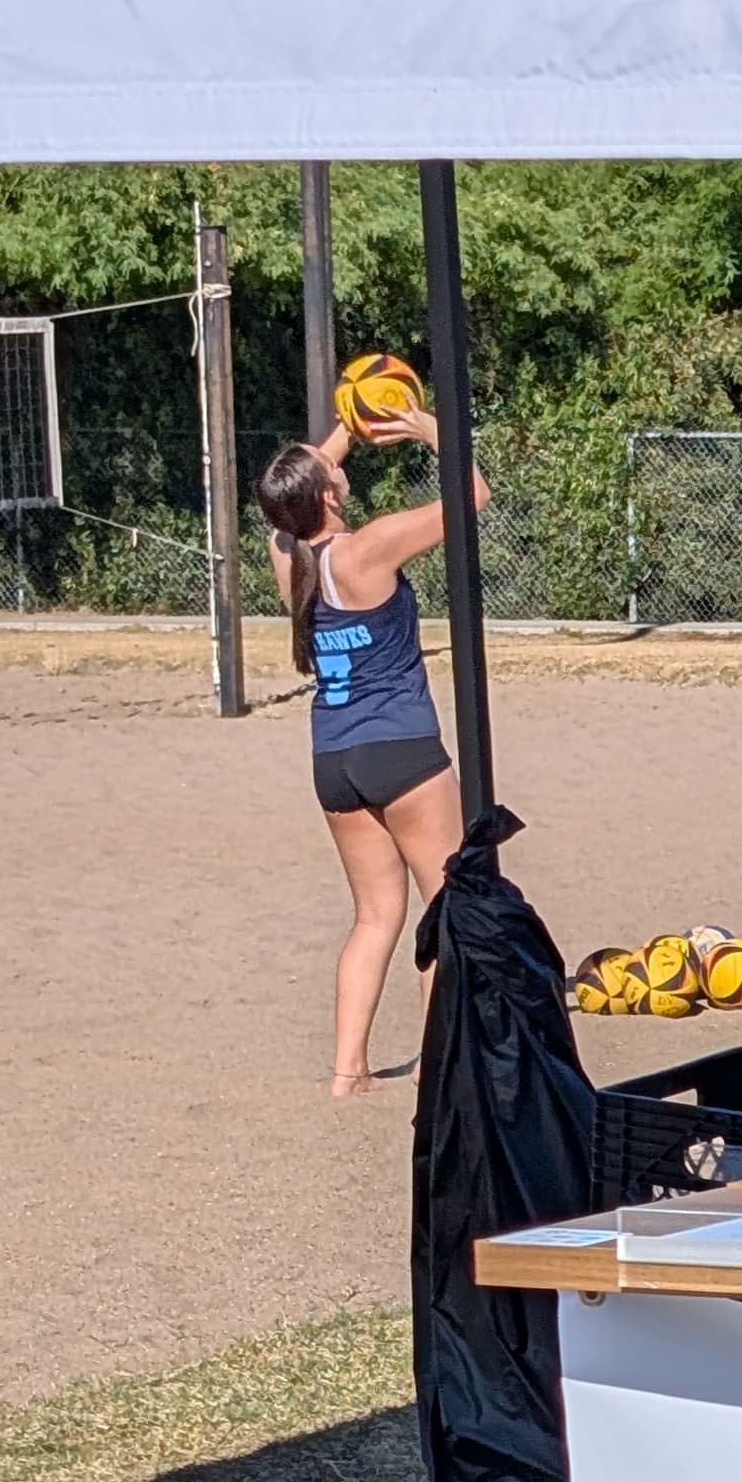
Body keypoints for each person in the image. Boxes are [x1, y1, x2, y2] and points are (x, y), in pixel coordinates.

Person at [255, 404, 482, 1097]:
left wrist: (351, 424)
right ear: (329, 494)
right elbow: (472, 496)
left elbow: (291, 495)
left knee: (375, 916)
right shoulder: (369, 546)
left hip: (335, 756)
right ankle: (438, 1070)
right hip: (401, 749)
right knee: (445, 908)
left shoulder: (287, 553)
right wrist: (429, 429)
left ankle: (346, 1071)